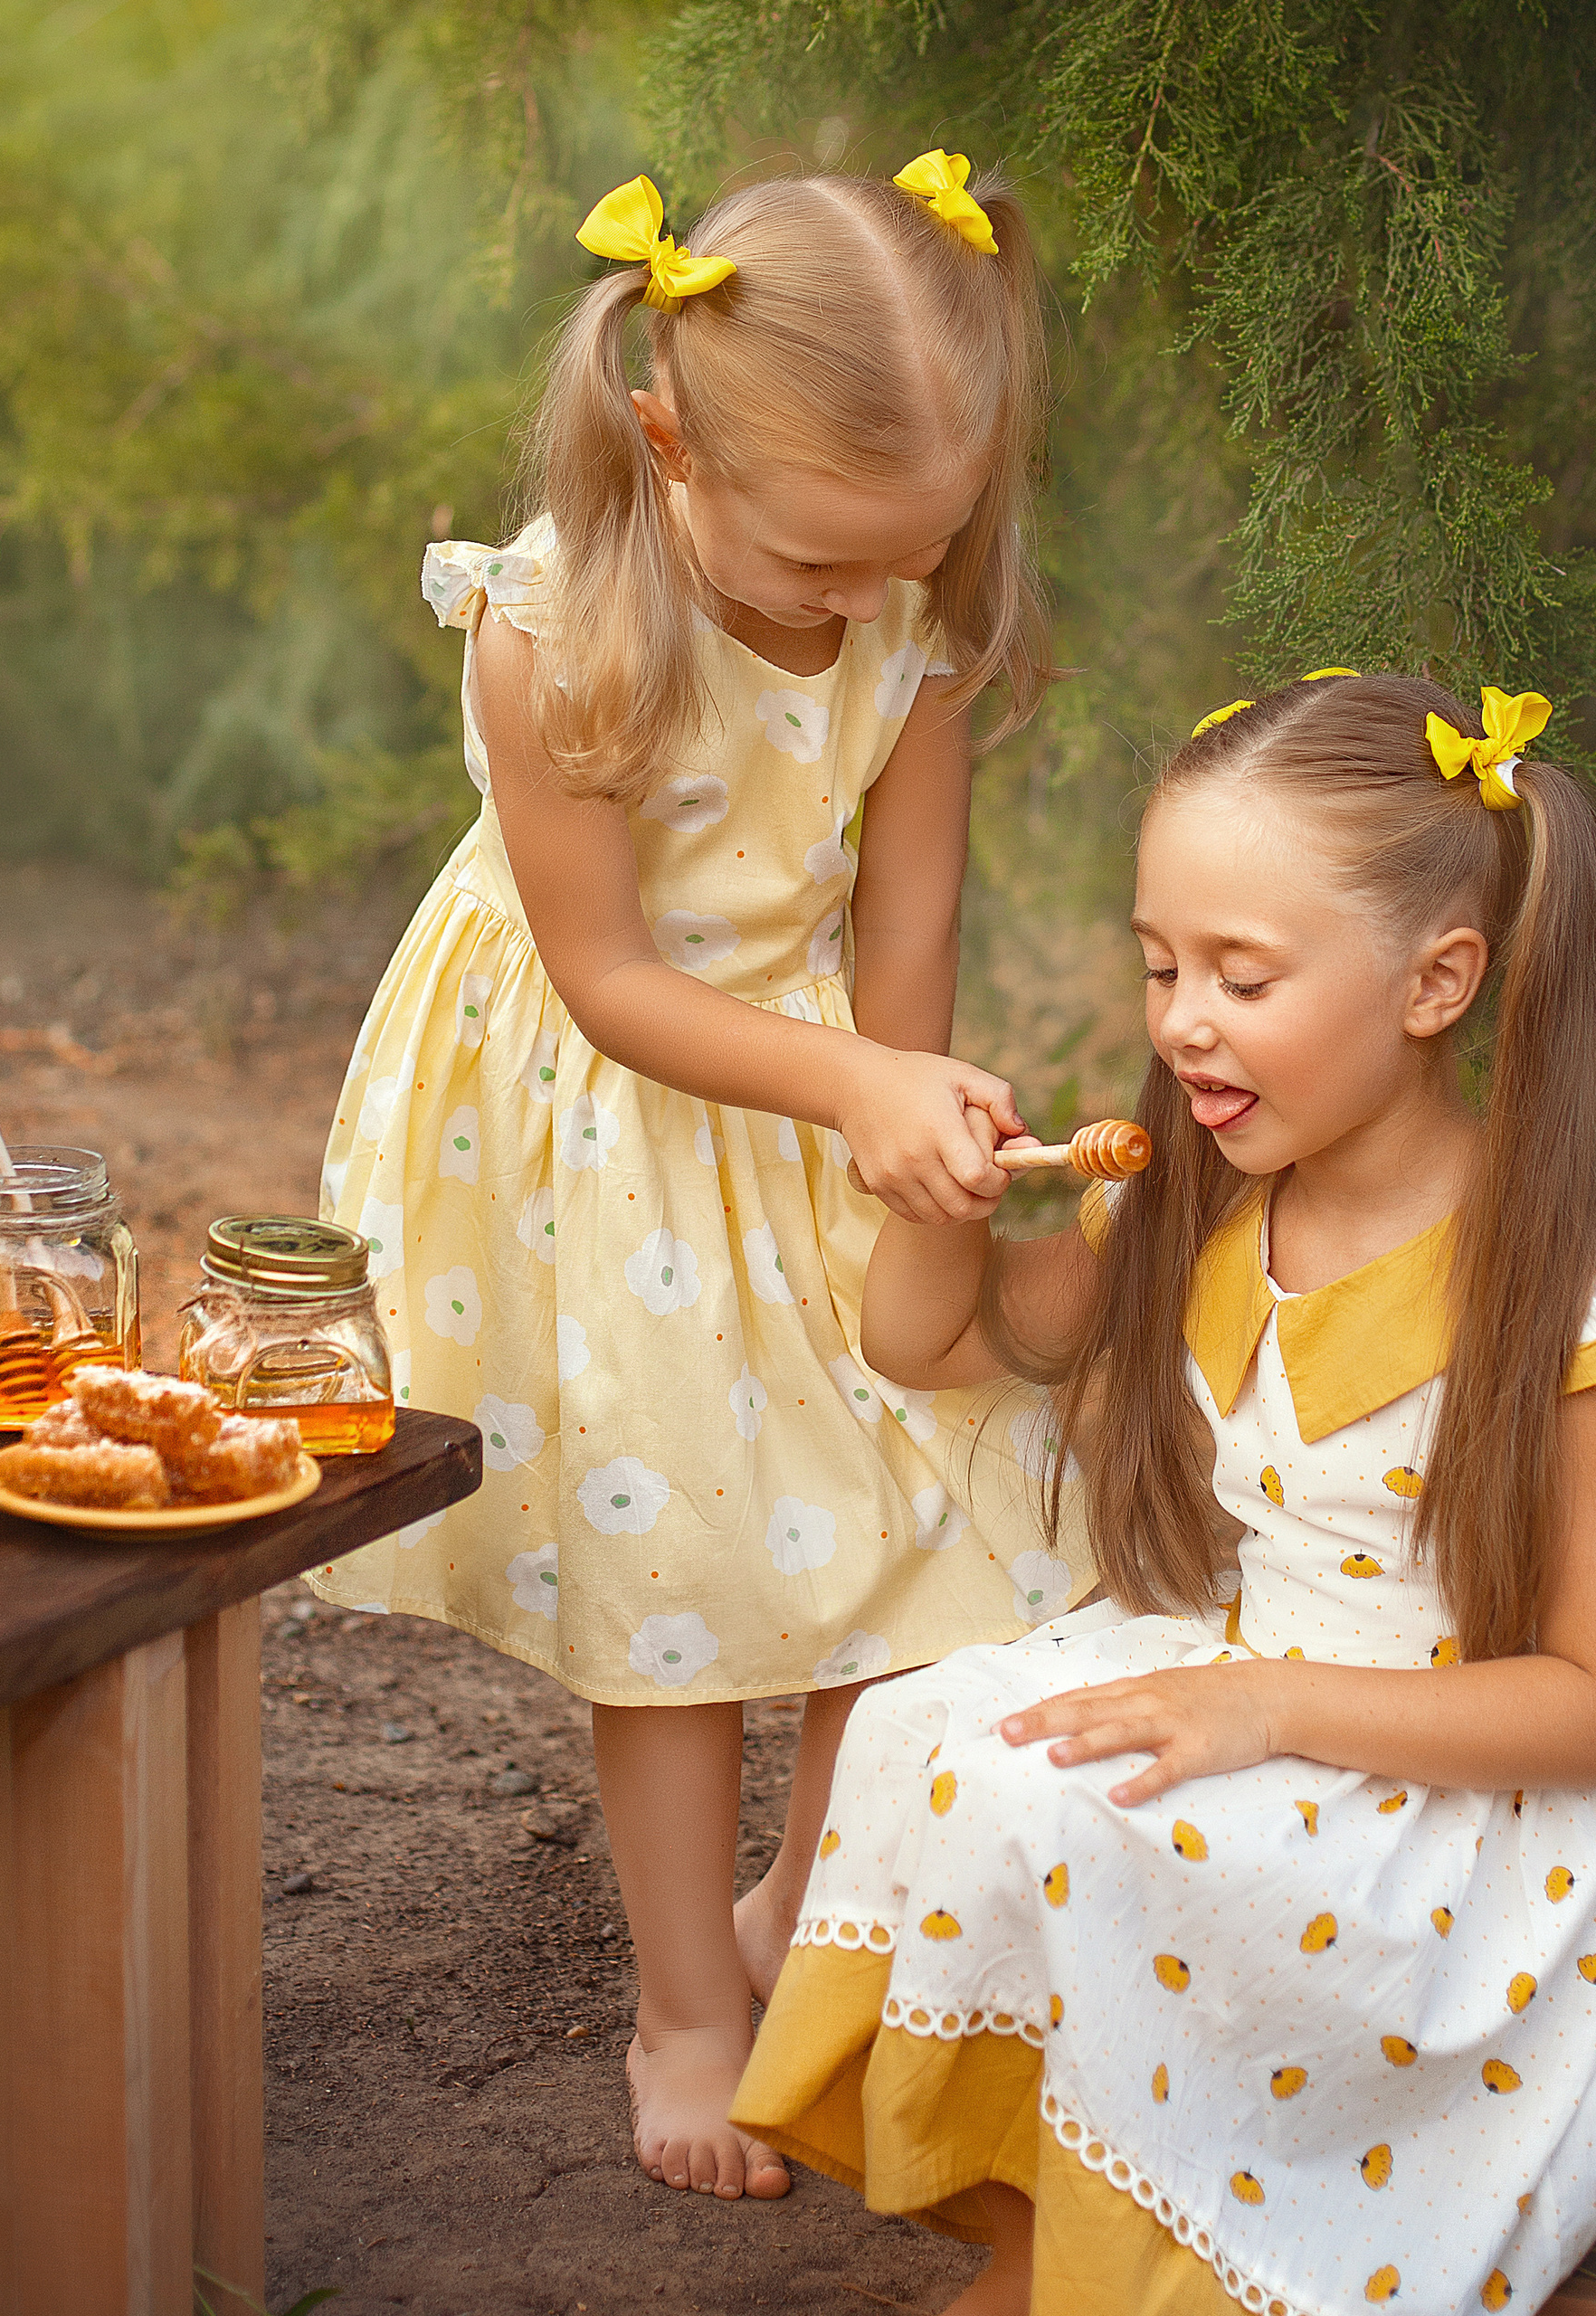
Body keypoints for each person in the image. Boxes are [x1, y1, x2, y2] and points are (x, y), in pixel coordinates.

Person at [731, 672, 1596, 2313]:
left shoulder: (1571, 1303)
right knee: (940, 1738)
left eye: (1244, 975)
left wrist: (1265, 1711)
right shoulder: (1201, 1220)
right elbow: (929, 1339)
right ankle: (1046, 2241)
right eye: (1159, 964)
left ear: (1437, 984)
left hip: (1473, 1787)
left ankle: (1178, 2253)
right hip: (1261, 1685)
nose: (1179, 1022)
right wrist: (943, 1185)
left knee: (1096, 1818)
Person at [312, 154, 1091, 2205]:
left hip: (819, 1076)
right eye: (825, 559)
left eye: (900, 554)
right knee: (679, 1571)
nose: (858, 599)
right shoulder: (550, 629)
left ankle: (788, 1910)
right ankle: (683, 1994)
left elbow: (905, 928)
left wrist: (914, 1126)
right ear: (668, 439)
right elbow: (611, 975)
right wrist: (853, 1077)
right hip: (612, 1113)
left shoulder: (905, 618)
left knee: (937, 1512)